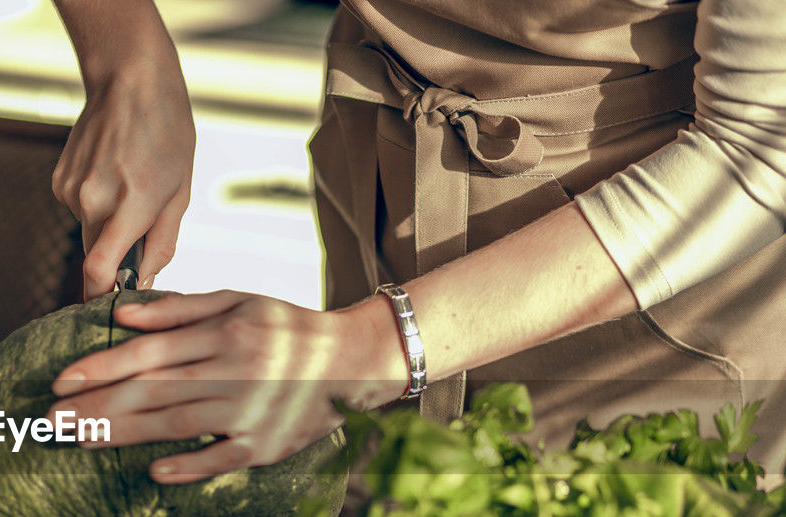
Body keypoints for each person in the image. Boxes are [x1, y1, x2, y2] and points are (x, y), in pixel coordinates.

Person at [46, 0, 786, 486]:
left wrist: (368, 347)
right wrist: (125, 55)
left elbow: (763, 144)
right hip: (384, 170)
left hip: (649, 291)